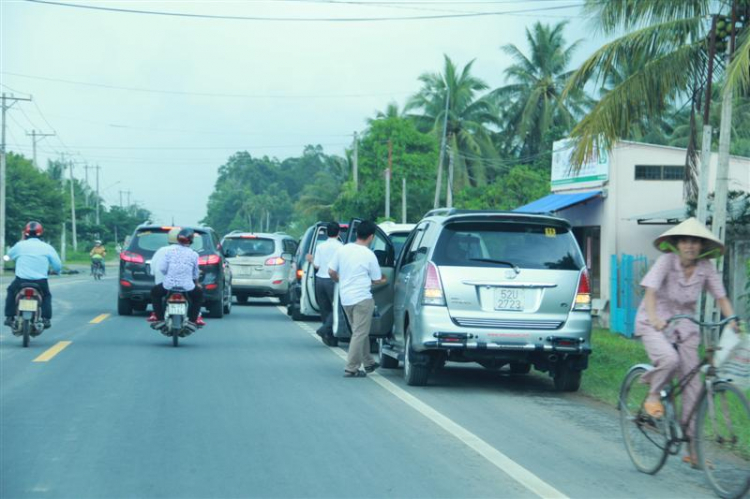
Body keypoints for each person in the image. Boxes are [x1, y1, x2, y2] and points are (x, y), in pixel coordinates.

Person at [635, 217, 738, 467]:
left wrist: (733, 320)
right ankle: (652, 396)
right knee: (669, 359)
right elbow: (650, 292)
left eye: (695, 242)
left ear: (702, 246)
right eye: (685, 241)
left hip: (687, 327)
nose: (690, 246)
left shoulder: (706, 267)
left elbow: (721, 297)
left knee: (693, 388)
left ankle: (693, 451)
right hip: (654, 321)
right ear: (677, 244)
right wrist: (655, 318)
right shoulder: (666, 261)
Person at [328, 220, 386, 377]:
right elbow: (376, 279)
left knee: (359, 331)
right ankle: (351, 368)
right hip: (362, 299)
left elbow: (331, 271)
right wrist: (384, 280)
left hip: (346, 298)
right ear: (371, 237)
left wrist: (340, 280)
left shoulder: (343, 250)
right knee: (359, 333)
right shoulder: (369, 254)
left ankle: (368, 362)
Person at [4, 221, 62, 329]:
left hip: (21, 280)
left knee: (11, 291)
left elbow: (8, 257)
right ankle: (46, 319)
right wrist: (57, 271)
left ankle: (9, 317)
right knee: (46, 296)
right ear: (41, 233)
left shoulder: (20, 245)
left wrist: (6, 260)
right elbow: (58, 265)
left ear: (25, 233)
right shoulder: (47, 247)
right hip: (40, 281)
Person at [150, 228, 204, 331]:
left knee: (154, 293)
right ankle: (192, 321)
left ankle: (160, 319)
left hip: (169, 285)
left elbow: (162, 268)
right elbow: (195, 273)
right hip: (187, 286)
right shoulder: (194, 254)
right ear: (191, 240)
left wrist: (169, 274)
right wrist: (197, 283)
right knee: (198, 295)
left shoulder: (169, 252)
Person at [306, 222, 343, 340]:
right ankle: (327, 330)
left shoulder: (320, 246)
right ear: (339, 232)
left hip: (320, 281)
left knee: (324, 308)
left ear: (327, 232)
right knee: (337, 307)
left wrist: (311, 260)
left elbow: (316, 266)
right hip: (333, 280)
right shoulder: (341, 247)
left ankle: (327, 334)